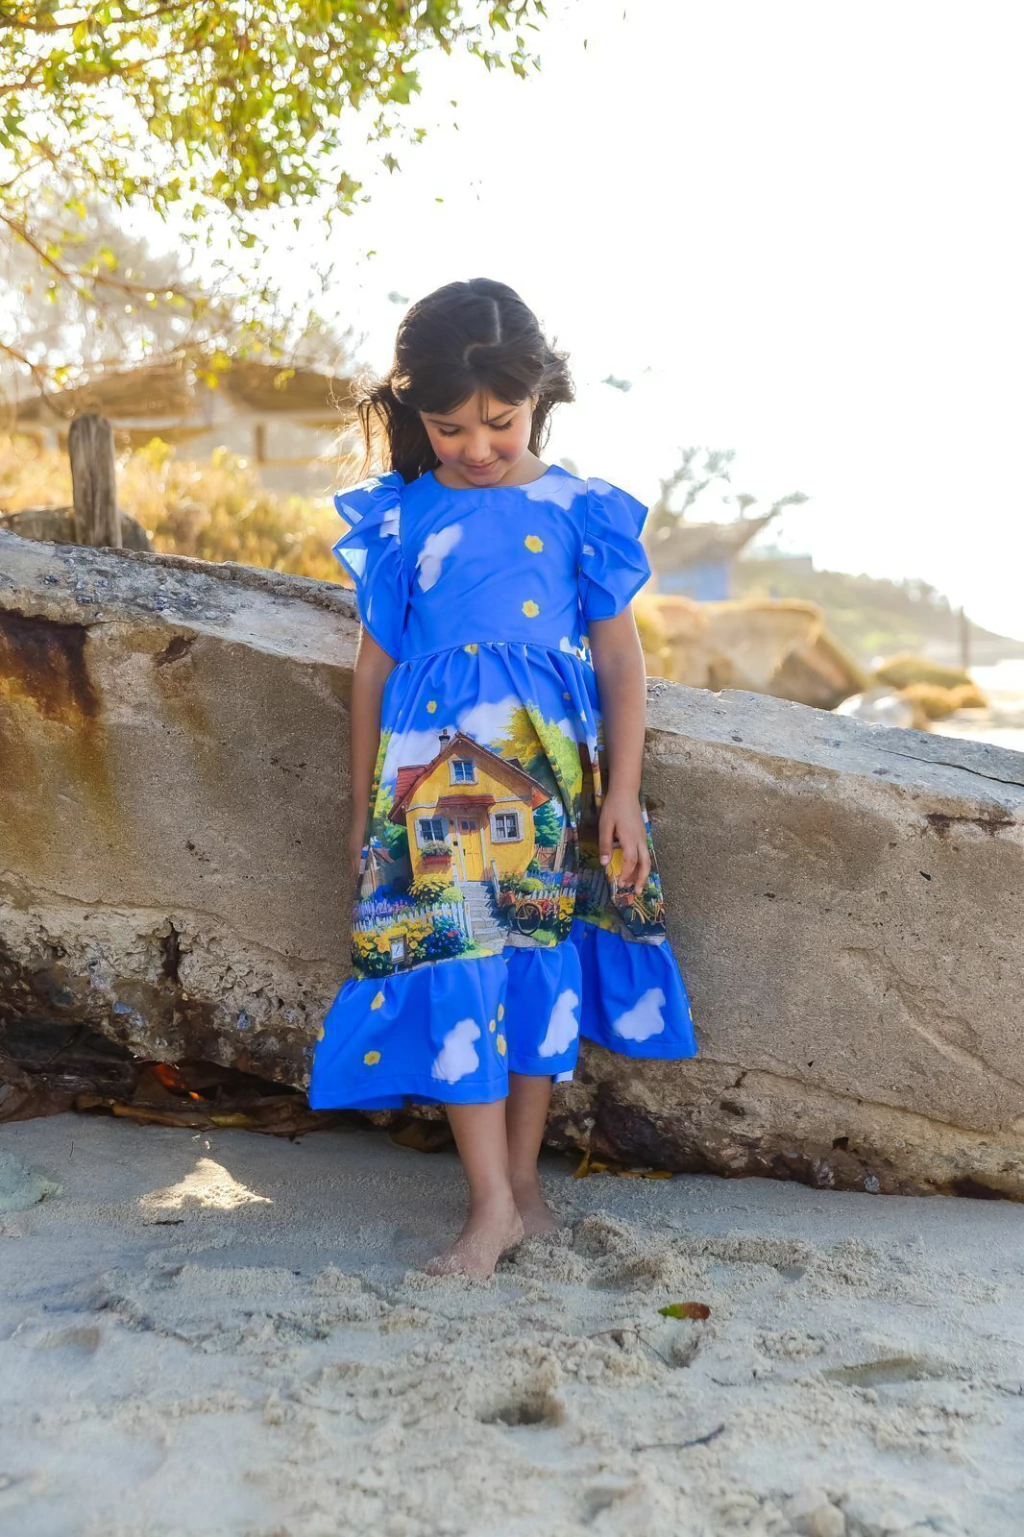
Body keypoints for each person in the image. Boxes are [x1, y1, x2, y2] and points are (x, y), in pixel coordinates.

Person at [309, 278, 698, 1277]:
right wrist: (361, 807)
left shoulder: (578, 511)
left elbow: (620, 661)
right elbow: (372, 668)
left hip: (549, 785)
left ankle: (522, 1187)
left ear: (538, 399)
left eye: (500, 422)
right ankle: (486, 1201)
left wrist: (622, 793)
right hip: (431, 792)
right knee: (456, 963)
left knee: (534, 966)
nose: (476, 447)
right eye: (449, 428)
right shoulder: (402, 517)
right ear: (415, 415)